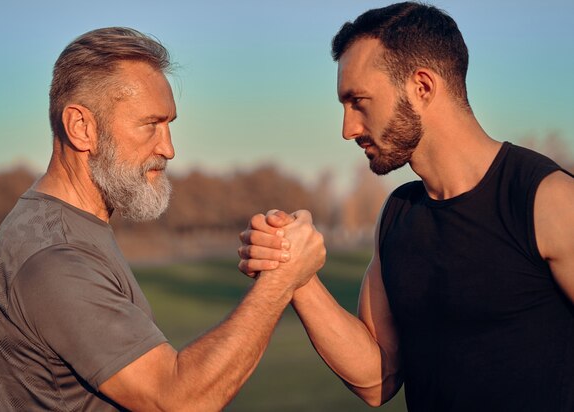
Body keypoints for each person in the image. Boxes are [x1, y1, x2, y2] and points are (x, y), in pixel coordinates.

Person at [238, 2, 574, 411]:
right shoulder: (397, 214)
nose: (348, 129)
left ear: (422, 87)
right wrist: (296, 273)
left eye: (358, 101)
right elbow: (376, 378)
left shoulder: (547, 199)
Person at [0, 27, 325, 411]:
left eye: (169, 124)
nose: (169, 148)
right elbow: (176, 399)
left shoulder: (68, 229)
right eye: (150, 125)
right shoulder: (54, 257)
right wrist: (280, 281)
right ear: (81, 127)